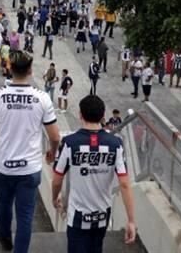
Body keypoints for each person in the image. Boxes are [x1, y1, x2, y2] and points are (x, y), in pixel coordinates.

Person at [0, 51, 60, 253]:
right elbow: (55, 136)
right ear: (31, 71)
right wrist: (53, 152)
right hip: (30, 168)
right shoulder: (42, 98)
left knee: (4, 203)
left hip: (4, 166)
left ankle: (5, 234)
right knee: (25, 216)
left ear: (9, 70)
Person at [51, 95, 137, 252]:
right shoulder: (116, 144)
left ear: (80, 115)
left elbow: (57, 180)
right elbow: (124, 184)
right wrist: (131, 220)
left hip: (77, 216)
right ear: (103, 116)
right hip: (102, 215)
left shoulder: (69, 143)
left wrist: (54, 197)